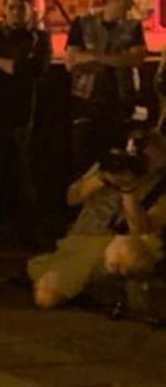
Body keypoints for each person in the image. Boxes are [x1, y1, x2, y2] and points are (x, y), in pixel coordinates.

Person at [29, 130, 166, 315]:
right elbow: (72, 197)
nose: (143, 155)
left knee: (130, 254)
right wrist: (101, 178)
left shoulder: (161, 187)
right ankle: (93, 284)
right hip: (83, 240)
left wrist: (127, 189)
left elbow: (141, 229)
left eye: (153, 150)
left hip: (119, 246)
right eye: (140, 148)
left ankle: (127, 282)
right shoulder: (112, 163)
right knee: (45, 297)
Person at [0, 0, 52, 246]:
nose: (16, 13)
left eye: (21, 8)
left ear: (31, 10)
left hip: (23, 115)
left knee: (23, 175)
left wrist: (2, 64)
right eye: (12, 8)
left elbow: (36, 69)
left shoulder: (38, 39)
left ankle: (26, 235)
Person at [66, 0, 147, 176]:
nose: (132, 3)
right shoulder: (82, 24)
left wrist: (93, 56)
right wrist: (116, 58)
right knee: (85, 165)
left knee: (118, 164)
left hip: (121, 104)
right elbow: (72, 61)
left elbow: (134, 59)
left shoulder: (133, 27)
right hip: (87, 103)